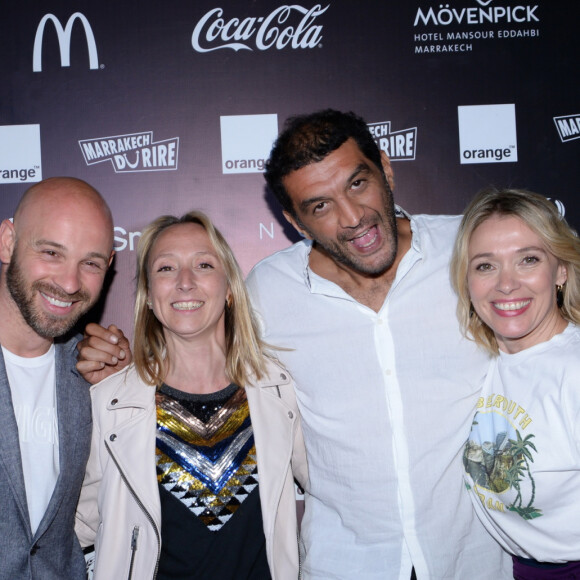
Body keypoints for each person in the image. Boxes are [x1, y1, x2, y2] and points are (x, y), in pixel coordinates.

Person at [77, 110, 510, 579]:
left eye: (358, 183)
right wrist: (116, 363)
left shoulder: (471, 253)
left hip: (471, 559)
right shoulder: (269, 292)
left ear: (386, 168)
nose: (352, 217)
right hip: (345, 565)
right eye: (319, 206)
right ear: (295, 222)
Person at [75, 211, 307, 580]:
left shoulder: (281, 391)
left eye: (203, 264)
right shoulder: (109, 405)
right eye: (166, 268)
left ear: (230, 288)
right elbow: (70, 528)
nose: (185, 282)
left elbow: (335, 493)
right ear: (149, 296)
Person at [450, 188, 580, 579]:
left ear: (560, 270)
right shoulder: (481, 361)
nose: (506, 284)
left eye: (528, 260)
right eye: (486, 266)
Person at [0, 177, 115, 580]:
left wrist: (121, 391)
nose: (69, 284)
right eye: (51, 252)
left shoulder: (96, 371)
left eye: (91, 263)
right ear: (7, 241)